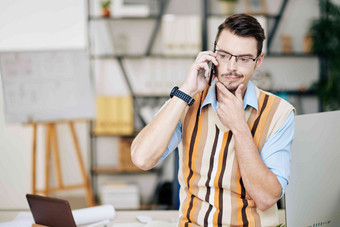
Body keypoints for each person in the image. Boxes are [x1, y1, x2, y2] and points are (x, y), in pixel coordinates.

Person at [131, 13, 295, 226]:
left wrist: (239, 126)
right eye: (224, 55)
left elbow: (266, 198)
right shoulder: (188, 100)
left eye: (244, 59)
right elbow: (142, 159)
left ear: (259, 61)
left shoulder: (280, 113)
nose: (232, 67)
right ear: (212, 53)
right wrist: (186, 91)